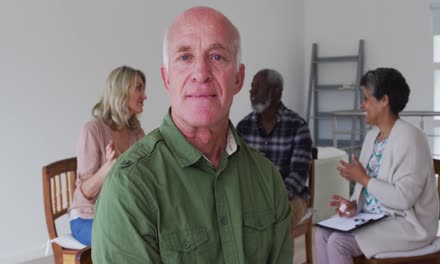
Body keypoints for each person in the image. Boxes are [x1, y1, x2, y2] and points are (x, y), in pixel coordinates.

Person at [91, 6, 292, 263]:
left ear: (239, 78)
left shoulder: (267, 178)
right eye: (185, 57)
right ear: (167, 80)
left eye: (217, 57)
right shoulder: (130, 187)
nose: (201, 73)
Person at [314, 68, 439, 263]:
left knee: (339, 242)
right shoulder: (372, 136)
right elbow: (368, 190)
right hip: (373, 218)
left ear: (384, 100)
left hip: (406, 224)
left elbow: (402, 199)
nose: (362, 105)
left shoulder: (412, 138)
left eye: (366, 98)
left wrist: (362, 178)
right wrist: (355, 205)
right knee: (321, 233)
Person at [68, 65, 147, 246]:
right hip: (87, 218)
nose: (144, 96)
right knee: (128, 242)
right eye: (138, 88)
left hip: (120, 213)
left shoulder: (136, 132)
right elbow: (85, 192)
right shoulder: (92, 130)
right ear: (121, 91)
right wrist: (108, 169)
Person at [237, 69, 313, 225]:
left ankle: (275, 250)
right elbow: (238, 169)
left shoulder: (297, 126)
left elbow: (299, 174)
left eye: (258, 86)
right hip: (254, 197)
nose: (252, 91)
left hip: (291, 197)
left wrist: (272, 197)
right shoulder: (244, 127)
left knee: (273, 220)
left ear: (276, 92)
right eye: (252, 86)